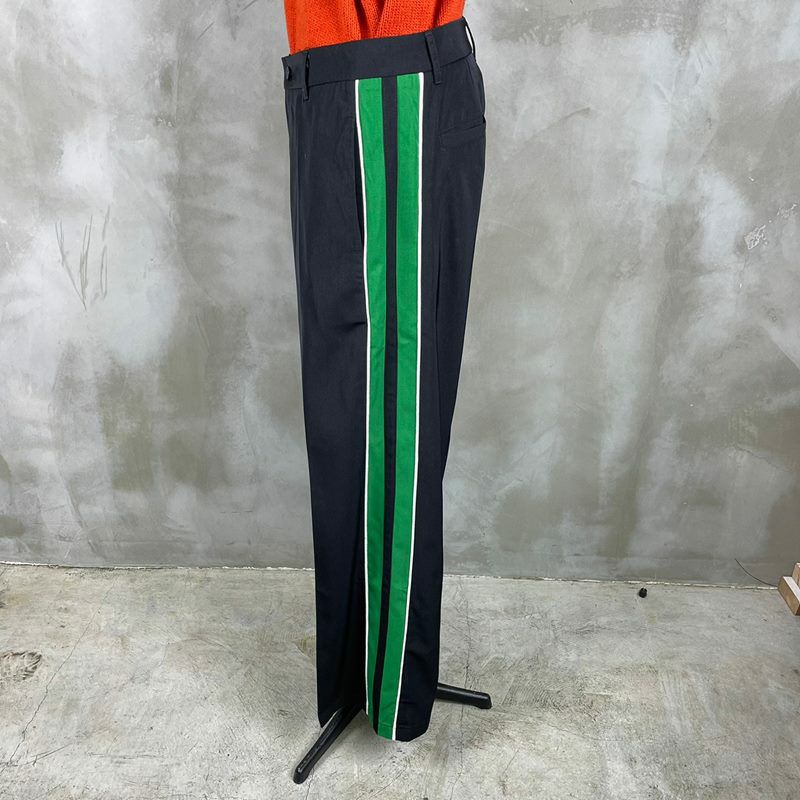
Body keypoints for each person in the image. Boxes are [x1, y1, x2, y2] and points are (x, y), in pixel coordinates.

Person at [281, 1, 486, 742]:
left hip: (392, 77)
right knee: (370, 399)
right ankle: (370, 675)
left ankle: (390, 681)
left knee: (400, 399)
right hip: (371, 80)